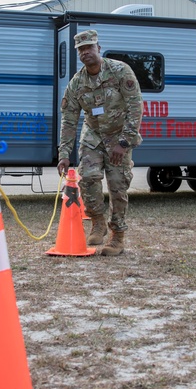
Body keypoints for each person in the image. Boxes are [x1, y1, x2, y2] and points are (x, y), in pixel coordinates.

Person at [57, 30, 143, 256]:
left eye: (89, 47)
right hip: (93, 134)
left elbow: (136, 106)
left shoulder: (119, 71)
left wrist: (124, 142)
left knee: (117, 185)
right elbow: (69, 118)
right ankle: (97, 221)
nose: (86, 52)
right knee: (88, 177)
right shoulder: (77, 83)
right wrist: (64, 153)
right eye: (81, 49)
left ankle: (118, 236)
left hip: (118, 134)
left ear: (98, 48)